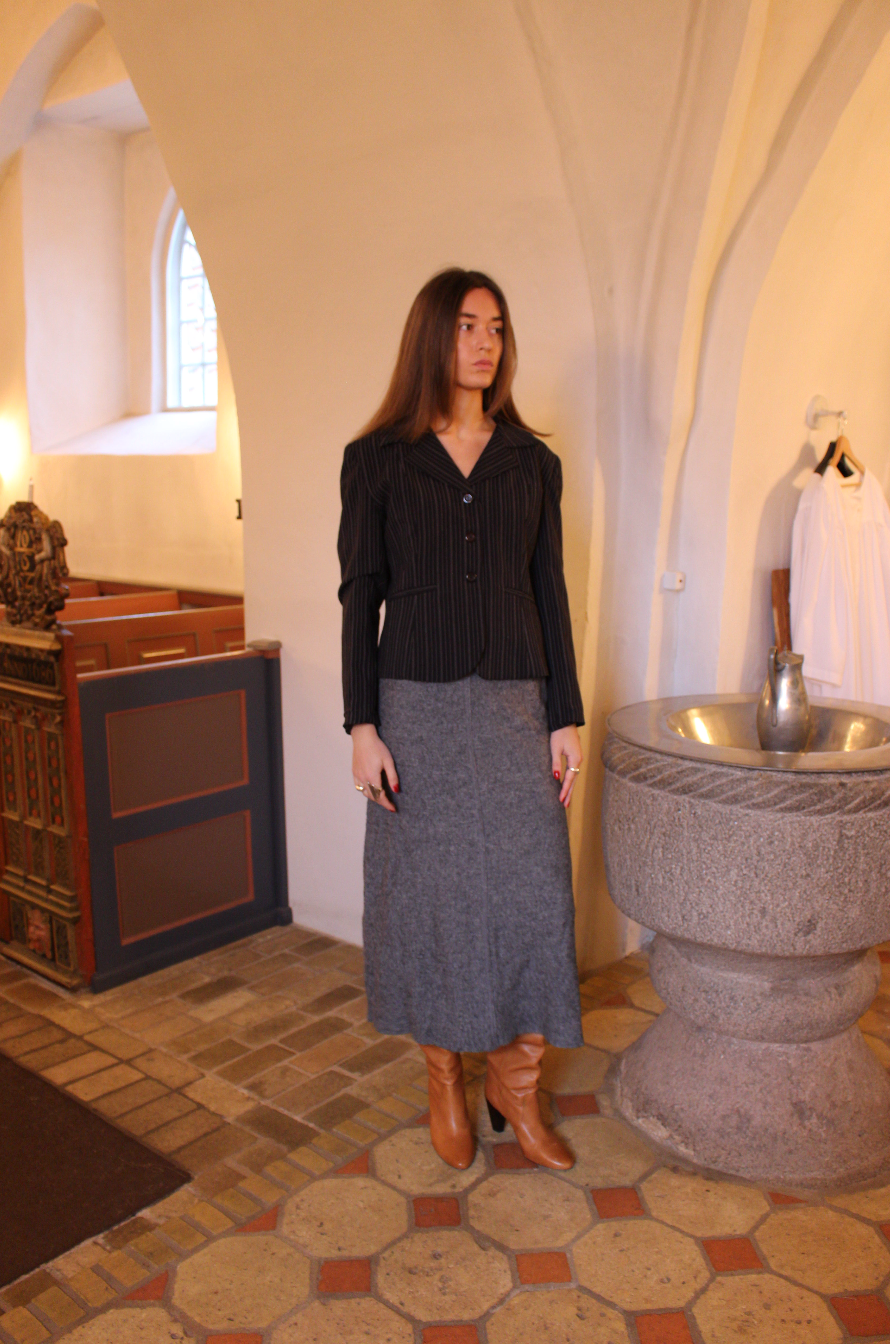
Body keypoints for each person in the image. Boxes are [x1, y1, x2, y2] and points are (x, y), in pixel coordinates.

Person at [338, 268, 585, 1171]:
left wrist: (565, 716)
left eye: (497, 328)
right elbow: (360, 595)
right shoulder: (377, 459)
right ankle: (443, 1073)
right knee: (432, 896)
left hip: (519, 703)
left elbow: (549, 591)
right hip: (415, 706)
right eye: (467, 326)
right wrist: (362, 725)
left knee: (532, 893)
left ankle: (515, 1086)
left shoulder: (533, 464)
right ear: (432, 337)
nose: (485, 343)